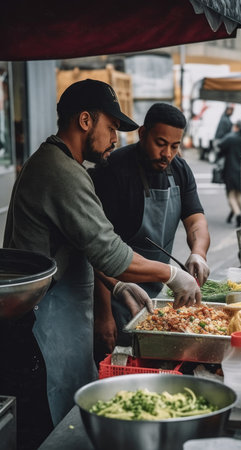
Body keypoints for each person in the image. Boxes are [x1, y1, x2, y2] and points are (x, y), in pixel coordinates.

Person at [1, 80, 201, 450]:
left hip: (59, 318)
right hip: (39, 324)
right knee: (49, 431)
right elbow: (111, 252)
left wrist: (118, 284)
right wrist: (174, 275)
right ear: (85, 120)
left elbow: (84, 245)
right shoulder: (59, 170)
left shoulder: (64, 164)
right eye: (111, 128)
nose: (114, 139)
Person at [88, 103, 210, 359]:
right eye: (161, 143)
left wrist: (198, 253)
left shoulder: (180, 170)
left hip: (159, 287)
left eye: (175, 147)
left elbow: (196, 221)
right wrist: (103, 314)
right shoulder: (114, 170)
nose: (167, 153)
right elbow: (94, 249)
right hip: (115, 291)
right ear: (143, 133)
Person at [217, 120, 241, 228]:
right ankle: (240, 214)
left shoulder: (230, 138)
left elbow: (220, 146)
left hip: (230, 170)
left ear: (236, 127)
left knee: (231, 195)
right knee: (240, 195)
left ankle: (237, 214)